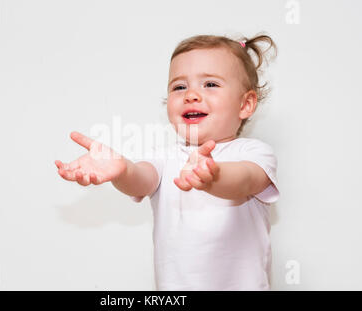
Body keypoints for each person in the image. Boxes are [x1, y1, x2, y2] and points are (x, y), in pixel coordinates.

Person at [55, 33, 280, 290]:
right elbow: (141, 180)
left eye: (210, 84)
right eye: (179, 87)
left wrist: (213, 176)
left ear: (246, 104)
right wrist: (121, 170)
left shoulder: (253, 153)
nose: (191, 95)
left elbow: (246, 180)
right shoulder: (164, 157)